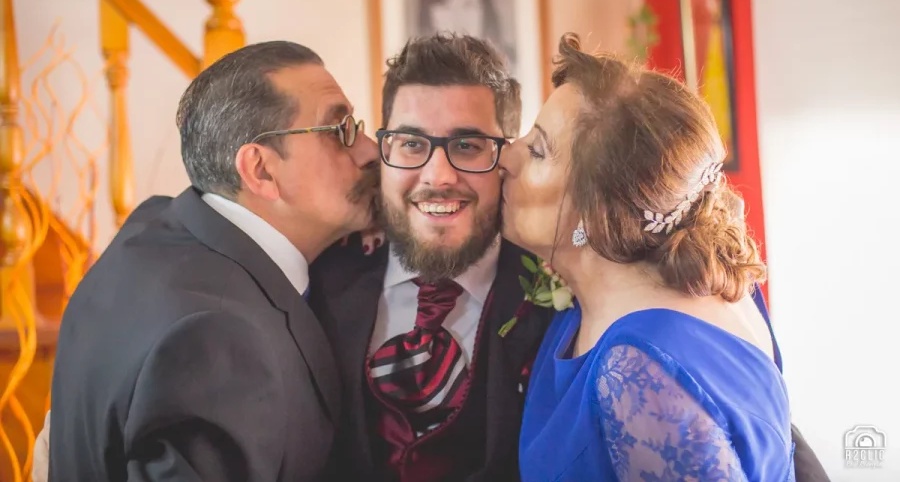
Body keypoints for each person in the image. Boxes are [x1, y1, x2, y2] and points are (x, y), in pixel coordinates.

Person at [44, 41, 380, 481]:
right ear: (260, 171)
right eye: (339, 131)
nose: (369, 149)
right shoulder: (219, 338)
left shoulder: (154, 228)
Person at [500, 33, 820, 480]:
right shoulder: (710, 276)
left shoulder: (641, 380)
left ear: (597, 215)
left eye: (536, 150)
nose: (506, 156)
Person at [310, 32, 552, 482]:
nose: (439, 176)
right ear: (383, 153)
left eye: (467, 146)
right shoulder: (320, 276)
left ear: (507, 158)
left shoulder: (558, 295)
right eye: (411, 143)